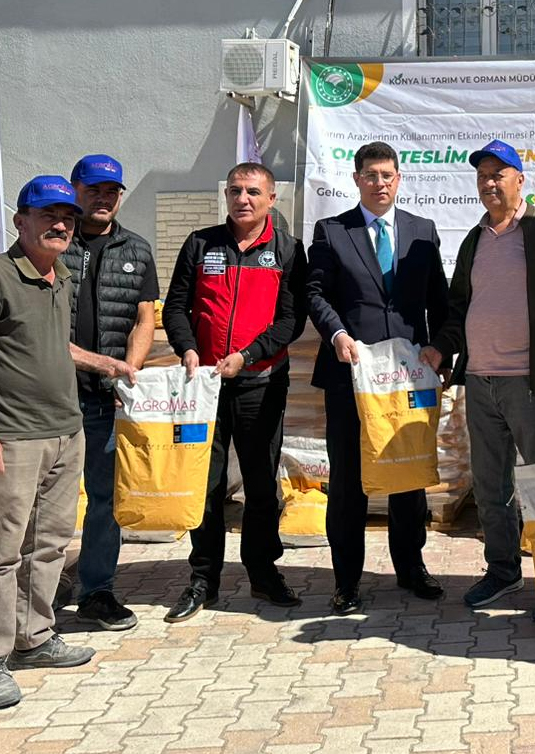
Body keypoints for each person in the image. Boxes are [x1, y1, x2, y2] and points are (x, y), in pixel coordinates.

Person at [0, 177, 134, 708]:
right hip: (12, 439)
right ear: (20, 221)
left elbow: (56, 345)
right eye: (48, 215)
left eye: (68, 217)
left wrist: (105, 363)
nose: (61, 224)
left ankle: (33, 639)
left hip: (66, 432)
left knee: (49, 544)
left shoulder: (59, 276)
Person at [419, 139, 535, 609]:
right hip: (481, 381)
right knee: (491, 486)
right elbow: (459, 307)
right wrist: (442, 348)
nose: (489, 183)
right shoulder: (475, 239)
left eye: (498, 174)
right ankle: (502, 572)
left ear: (520, 180)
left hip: (533, 383)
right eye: (482, 176)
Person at [306, 141, 450, 614]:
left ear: (399, 179)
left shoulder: (422, 231)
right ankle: (346, 580)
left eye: (387, 175)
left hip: (407, 379)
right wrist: (337, 333)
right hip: (352, 377)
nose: (380, 183)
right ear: (357, 179)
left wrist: (442, 349)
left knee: (408, 474)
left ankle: (411, 568)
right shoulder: (332, 231)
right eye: (371, 175)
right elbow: (315, 293)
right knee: (349, 480)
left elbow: (440, 301)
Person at [161, 162, 307, 623]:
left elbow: (290, 320)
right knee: (206, 485)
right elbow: (176, 306)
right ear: (226, 195)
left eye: (253, 192)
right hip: (203, 387)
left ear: (271, 199)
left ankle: (263, 572)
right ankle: (203, 579)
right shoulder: (200, 243)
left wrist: (248, 355)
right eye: (235, 191)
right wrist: (186, 348)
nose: (243, 199)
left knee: (262, 485)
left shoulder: (287, 250)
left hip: (261, 384)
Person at [62, 155, 159, 631]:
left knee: (106, 499)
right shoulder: (54, 243)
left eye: (112, 191)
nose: (104, 198)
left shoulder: (136, 249)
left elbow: (144, 319)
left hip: (107, 399)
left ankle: (96, 591)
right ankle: (32, 588)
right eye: (94, 189)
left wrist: (128, 374)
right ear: (75, 190)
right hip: (53, 397)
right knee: (45, 501)